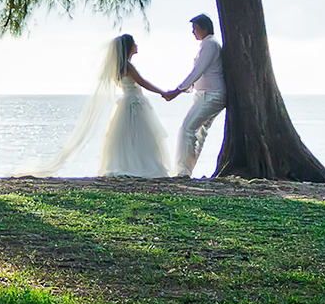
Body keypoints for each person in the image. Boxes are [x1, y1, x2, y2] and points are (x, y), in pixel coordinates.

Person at [22, 33, 173, 178]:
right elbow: (142, 82)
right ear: (128, 47)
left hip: (126, 103)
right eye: (134, 43)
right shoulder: (127, 66)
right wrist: (163, 93)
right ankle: (140, 165)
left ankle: (130, 164)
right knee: (139, 136)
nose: (137, 45)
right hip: (134, 103)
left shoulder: (118, 67)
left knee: (129, 136)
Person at [161, 13, 226, 179]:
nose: (193, 32)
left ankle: (183, 171)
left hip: (212, 96)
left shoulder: (210, 44)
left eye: (195, 28)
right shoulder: (207, 44)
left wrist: (177, 91)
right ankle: (186, 170)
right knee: (198, 133)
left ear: (205, 29)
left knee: (187, 128)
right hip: (206, 95)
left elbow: (198, 71)